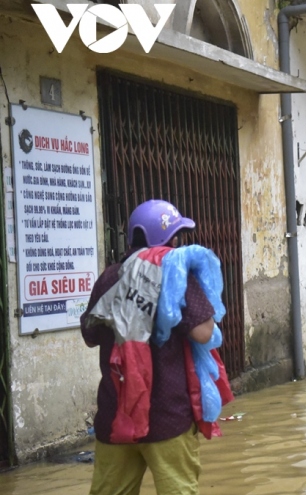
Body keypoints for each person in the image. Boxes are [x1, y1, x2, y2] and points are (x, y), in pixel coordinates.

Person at [81, 200, 216, 495]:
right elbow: (204, 332)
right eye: (177, 236)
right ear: (170, 240)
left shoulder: (109, 278)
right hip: (167, 418)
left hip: (115, 417)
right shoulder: (176, 274)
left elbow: (89, 335)